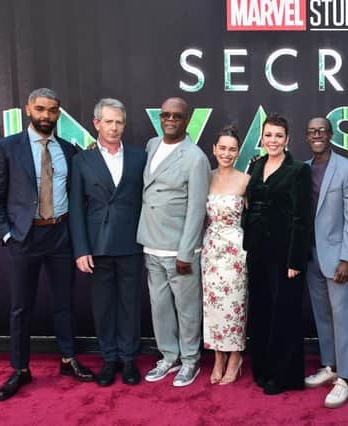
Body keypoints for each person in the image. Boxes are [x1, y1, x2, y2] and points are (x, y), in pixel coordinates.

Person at [0, 88, 94, 401]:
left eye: (53, 110)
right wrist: (8, 234)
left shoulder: (69, 151)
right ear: (29, 109)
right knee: (21, 307)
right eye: (41, 109)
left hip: (60, 235)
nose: (47, 115)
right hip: (25, 237)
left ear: (59, 113)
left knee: (64, 303)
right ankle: (20, 368)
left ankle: (68, 358)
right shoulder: (7, 148)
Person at [69, 98, 146, 386]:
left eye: (119, 122)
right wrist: (81, 249)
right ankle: (109, 358)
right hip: (97, 245)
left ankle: (128, 360)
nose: (114, 127)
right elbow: (76, 208)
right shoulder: (81, 160)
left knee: (130, 304)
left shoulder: (139, 157)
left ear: (124, 125)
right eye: (109, 121)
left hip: (131, 243)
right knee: (103, 305)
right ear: (97, 123)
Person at [137, 97, 211, 387]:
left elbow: (196, 209)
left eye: (176, 116)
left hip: (180, 250)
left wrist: (185, 251)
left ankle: (190, 361)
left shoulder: (195, 157)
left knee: (187, 309)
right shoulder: (152, 145)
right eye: (165, 114)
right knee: (160, 307)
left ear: (186, 120)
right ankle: (169, 356)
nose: (170, 119)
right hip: (151, 243)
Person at [243, 113, 313, 395]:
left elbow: (301, 217)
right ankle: (263, 368)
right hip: (257, 252)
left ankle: (284, 376)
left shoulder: (297, 170)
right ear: (262, 137)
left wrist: (295, 260)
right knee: (261, 311)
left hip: (285, 256)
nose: (273, 140)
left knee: (284, 315)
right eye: (268, 135)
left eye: (278, 136)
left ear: (287, 139)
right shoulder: (256, 165)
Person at [302, 117, 348, 408]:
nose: (317, 135)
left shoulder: (347, 168)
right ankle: (330, 366)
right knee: (322, 315)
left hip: (339, 258)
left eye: (322, 131)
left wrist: (346, 259)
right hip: (311, 255)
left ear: (330, 135)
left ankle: (346, 378)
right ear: (307, 137)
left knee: (342, 317)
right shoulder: (303, 169)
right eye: (312, 131)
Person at [201, 125, 250, 385]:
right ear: (214, 149)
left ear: (238, 151)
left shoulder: (245, 180)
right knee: (213, 307)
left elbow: (253, 219)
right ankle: (218, 357)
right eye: (222, 148)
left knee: (235, 306)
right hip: (210, 250)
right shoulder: (205, 177)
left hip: (236, 252)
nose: (227, 153)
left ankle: (235, 357)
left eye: (232, 149)